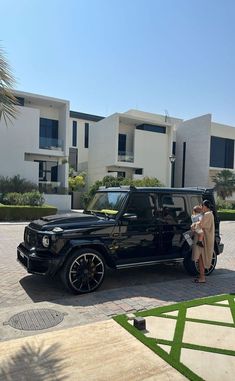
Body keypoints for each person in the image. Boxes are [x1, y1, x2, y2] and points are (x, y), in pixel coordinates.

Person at [192, 199, 215, 284]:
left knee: (201, 258)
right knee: (200, 258)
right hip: (204, 239)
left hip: (204, 240)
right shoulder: (207, 214)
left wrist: (193, 225)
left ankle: (202, 278)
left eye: (202, 206)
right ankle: (201, 276)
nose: (201, 208)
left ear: (205, 206)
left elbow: (201, 224)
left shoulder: (208, 214)